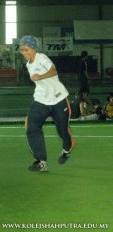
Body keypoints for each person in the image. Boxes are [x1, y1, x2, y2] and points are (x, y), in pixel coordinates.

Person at [19, 35, 75, 172]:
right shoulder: (28, 64)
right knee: (31, 127)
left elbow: (53, 71)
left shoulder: (42, 57)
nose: (24, 53)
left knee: (62, 131)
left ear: (34, 48)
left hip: (58, 98)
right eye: (21, 50)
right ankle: (41, 162)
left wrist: (40, 76)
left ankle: (67, 149)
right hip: (41, 100)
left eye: (26, 50)